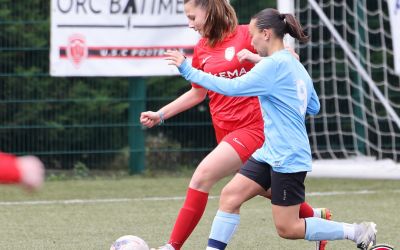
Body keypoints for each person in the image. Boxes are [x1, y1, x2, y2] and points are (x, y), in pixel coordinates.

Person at [165, 7, 377, 250]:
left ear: (266, 34)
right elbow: (314, 106)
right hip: (269, 152)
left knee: (288, 228)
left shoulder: (272, 66)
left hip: (287, 156)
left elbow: (232, 88)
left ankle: (357, 231)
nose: (251, 41)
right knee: (230, 196)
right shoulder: (291, 64)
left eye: (254, 35)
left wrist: (187, 68)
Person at [142, 1, 330, 250]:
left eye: (192, 17)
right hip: (226, 132)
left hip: (253, 128)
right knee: (266, 189)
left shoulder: (246, 34)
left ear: (209, 10)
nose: (190, 24)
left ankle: (171, 246)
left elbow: (288, 59)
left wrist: (253, 57)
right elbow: (198, 93)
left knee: (201, 178)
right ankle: (315, 219)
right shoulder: (202, 48)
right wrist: (161, 114)